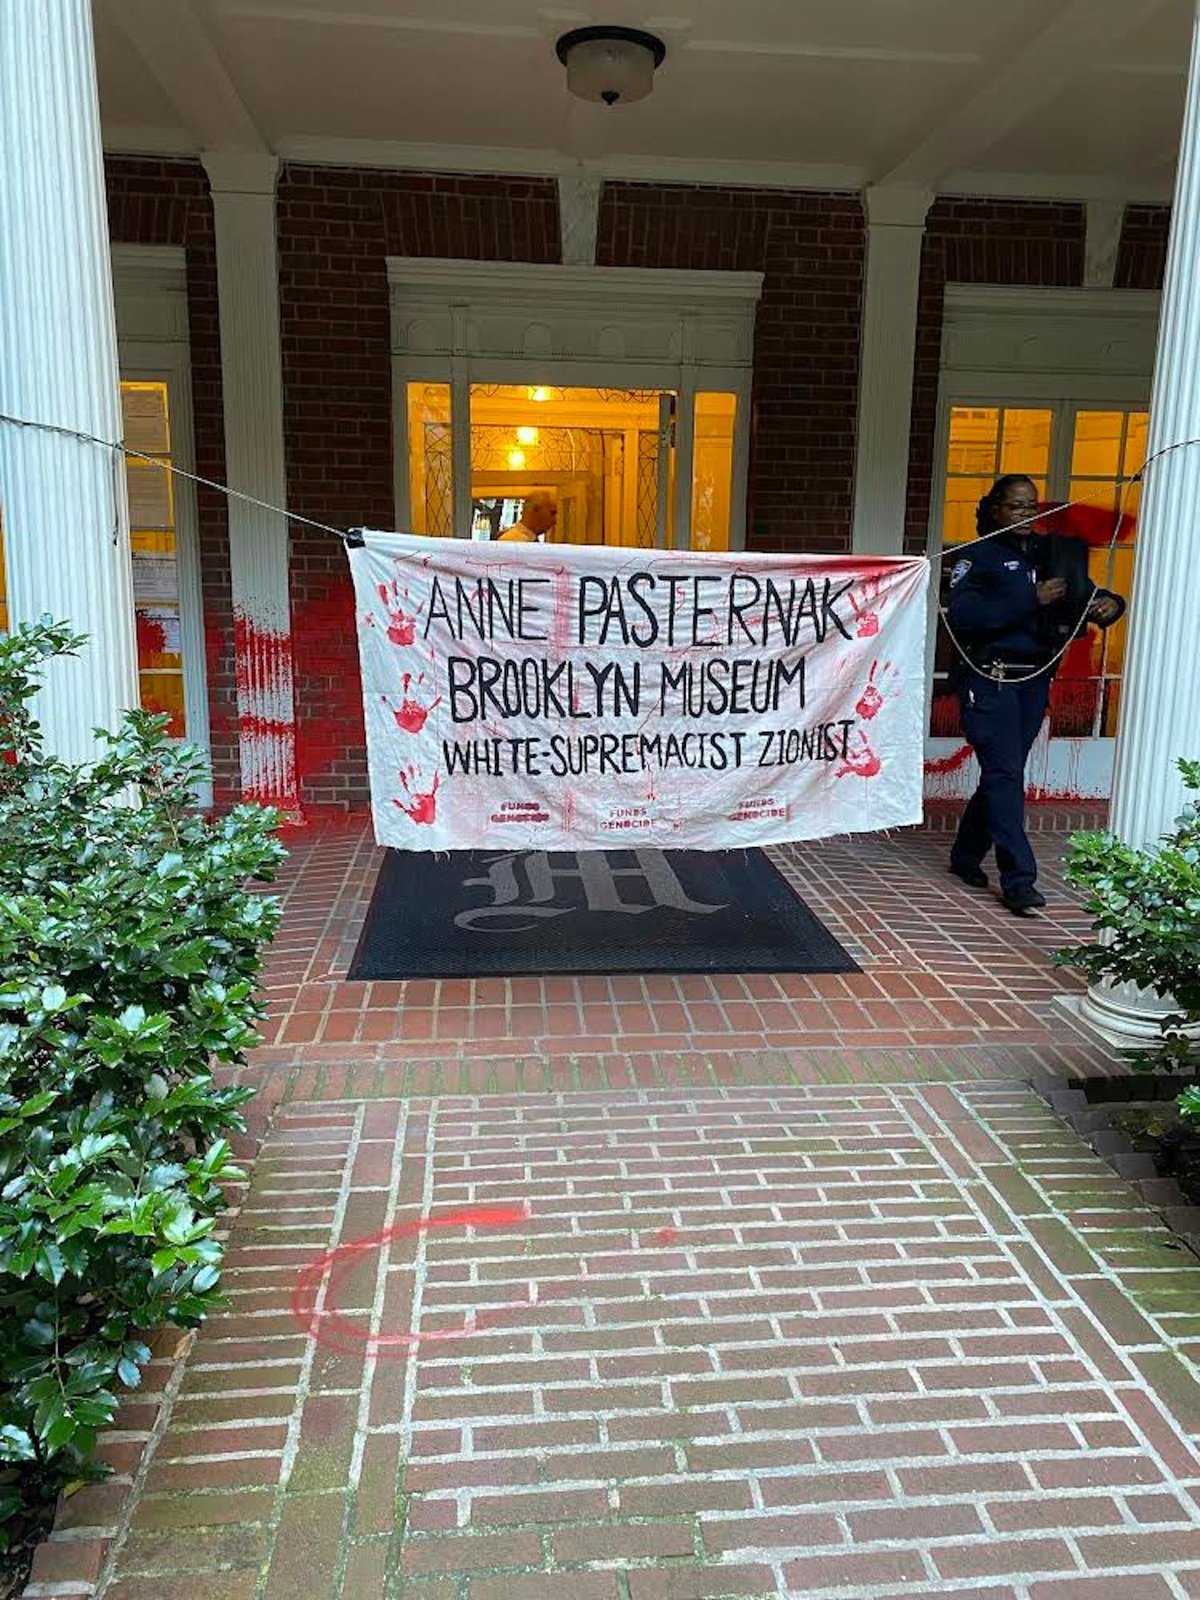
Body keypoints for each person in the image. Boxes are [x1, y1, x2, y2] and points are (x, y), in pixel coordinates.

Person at [945, 473, 1124, 916]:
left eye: (1031, 506)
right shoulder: (976, 557)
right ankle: (1019, 881)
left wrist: (1111, 605)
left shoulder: (1050, 551)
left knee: (1003, 772)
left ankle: (965, 856)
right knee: (1006, 774)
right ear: (994, 510)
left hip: (1034, 678)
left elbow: (1084, 594)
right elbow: (964, 615)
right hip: (991, 678)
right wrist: (1031, 598)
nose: (1025, 514)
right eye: (1015, 506)